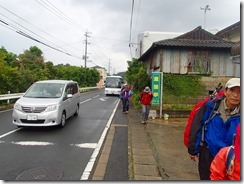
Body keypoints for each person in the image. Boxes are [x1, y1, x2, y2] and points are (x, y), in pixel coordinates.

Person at [188, 78, 240, 180]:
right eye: (232, 90)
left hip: (231, 158)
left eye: (240, 92)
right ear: (225, 91)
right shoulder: (211, 106)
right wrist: (193, 149)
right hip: (208, 153)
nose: (235, 95)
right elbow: (197, 125)